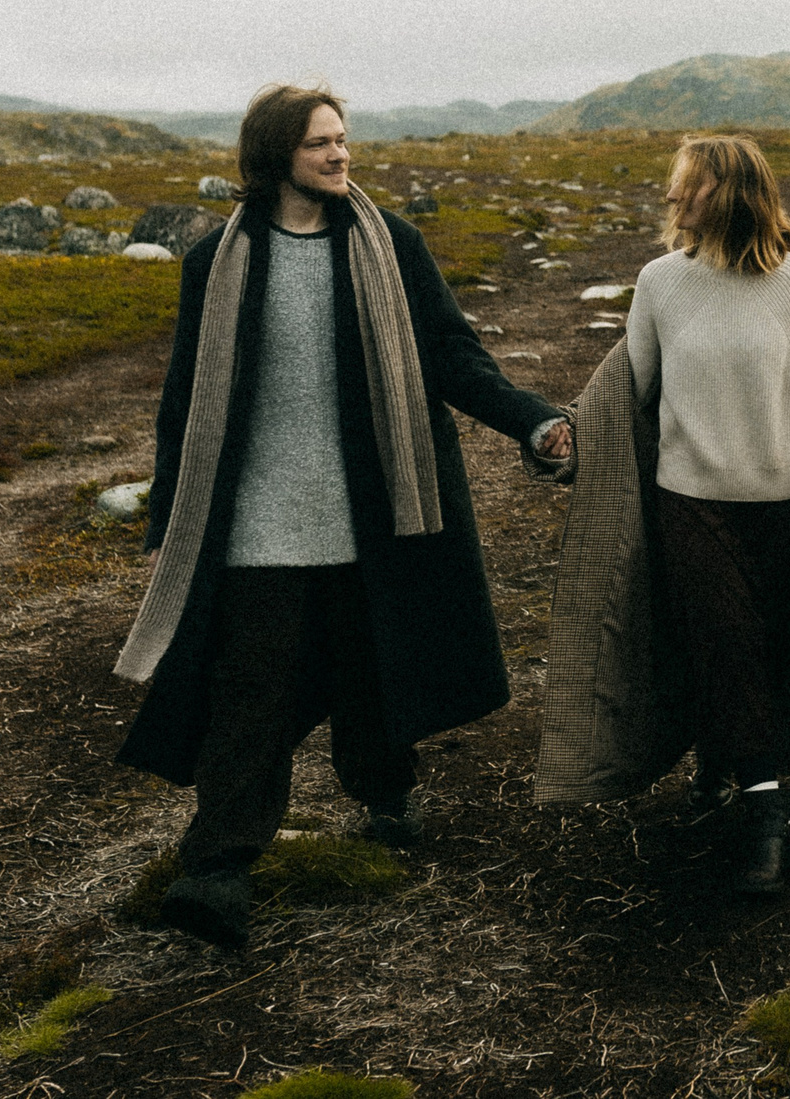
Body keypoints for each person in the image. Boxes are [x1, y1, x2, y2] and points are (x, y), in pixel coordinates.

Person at [111, 83, 573, 947]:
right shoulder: (216, 262)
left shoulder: (389, 244)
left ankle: (385, 794)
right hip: (257, 519)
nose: (340, 154)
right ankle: (217, 869)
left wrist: (534, 419)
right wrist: (171, 517)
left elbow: (452, 357)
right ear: (275, 155)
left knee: (373, 662)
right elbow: (186, 403)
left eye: (344, 139)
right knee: (251, 684)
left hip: (373, 510)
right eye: (322, 142)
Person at [530, 133, 790, 894]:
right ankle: (766, 819)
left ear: (729, 193)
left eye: (686, 186)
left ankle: (721, 765)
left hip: (787, 511)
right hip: (689, 507)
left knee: (768, 654)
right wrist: (562, 442)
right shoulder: (660, 282)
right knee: (726, 643)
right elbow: (628, 394)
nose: (672, 198)